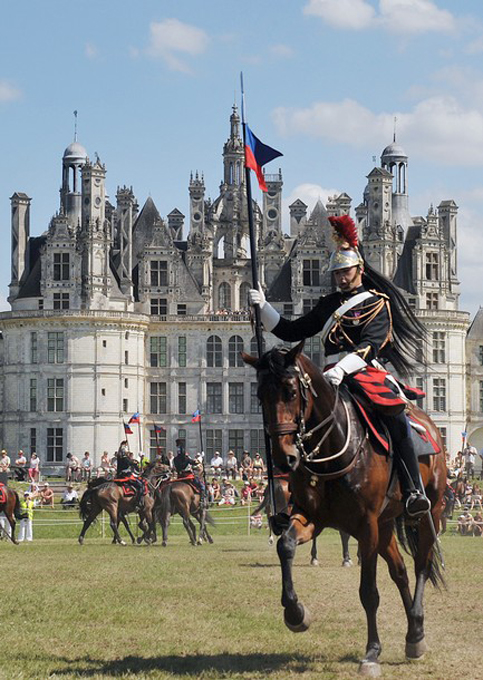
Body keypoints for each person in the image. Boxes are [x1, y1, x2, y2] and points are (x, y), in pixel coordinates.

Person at [249, 214, 431, 519]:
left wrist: (343, 368)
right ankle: (298, 499)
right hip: (328, 376)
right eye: (336, 273)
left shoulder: (377, 302)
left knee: (396, 416)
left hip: (364, 372)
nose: (340, 278)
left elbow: (371, 345)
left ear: (359, 269)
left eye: (345, 271)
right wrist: (264, 307)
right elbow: (293, 331)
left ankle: (413, 490)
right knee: (298, 421)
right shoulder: (328, 304)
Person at [173, 439, 206, 506]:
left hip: (179, 477)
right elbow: (195, 463)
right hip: (188, 476)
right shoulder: (187, 459)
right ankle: (202, 500)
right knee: (202, 486)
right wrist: (201, 458)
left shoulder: (175, 459)